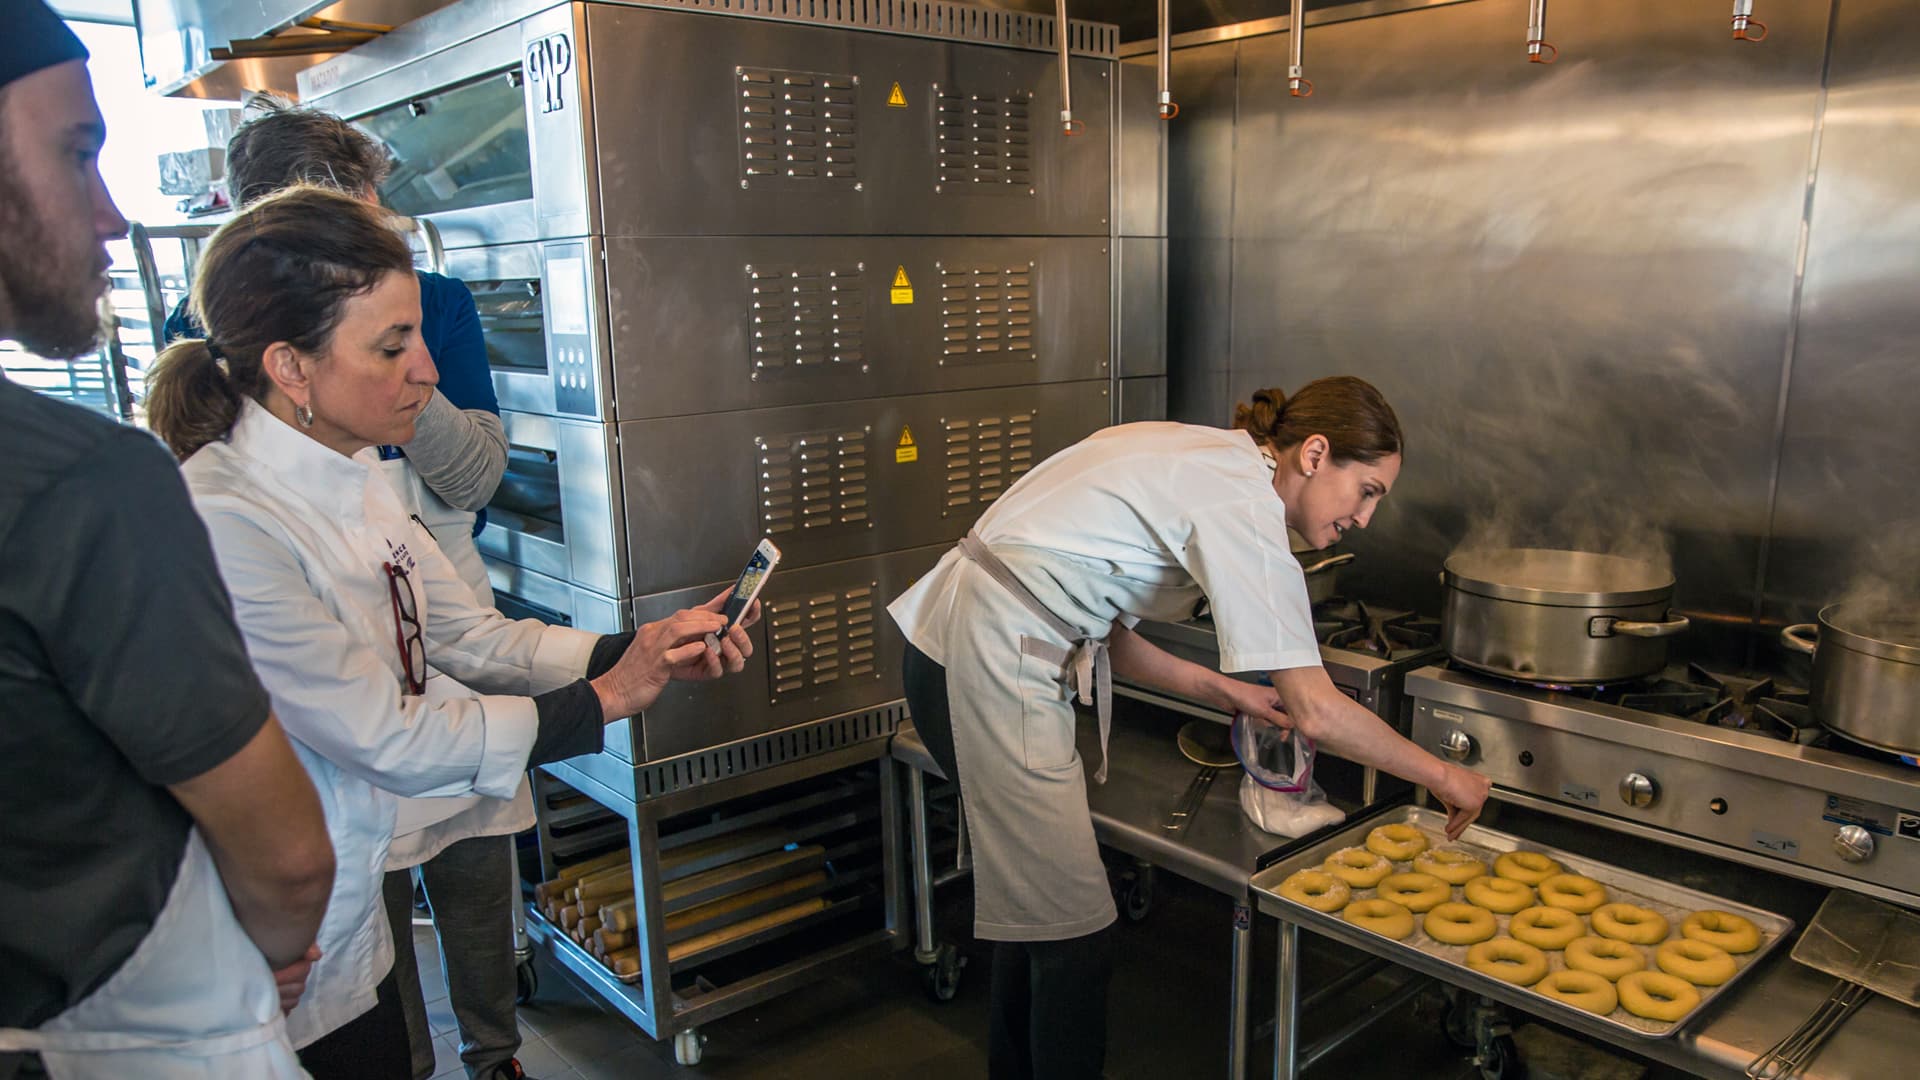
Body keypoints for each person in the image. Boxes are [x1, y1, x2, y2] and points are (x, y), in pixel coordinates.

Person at [143, 184, 758, 1079]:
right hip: (270, 951)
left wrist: (637, 649)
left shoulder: (359, 476)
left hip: (347, 921)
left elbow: (469, 637)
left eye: (419, 335)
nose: (429, 371)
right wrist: (597, 703)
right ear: (291, 367)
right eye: (394, 345)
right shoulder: (228, 522)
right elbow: (387, 733)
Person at [888, 377, 1493, 1079]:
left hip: (958, 648)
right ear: (1316, 454)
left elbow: (1102, 631)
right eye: (1368, 491)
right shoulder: (1244, 504)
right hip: (988, 660)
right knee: (1074, 935)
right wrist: (1445, 776)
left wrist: (1224, 689)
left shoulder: (1206, 457)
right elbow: (1317, 708)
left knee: (1043, 923)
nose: (1365, 517)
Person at [160, 100, 527, 1080]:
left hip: (435, 615)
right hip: (316, 675)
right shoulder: (217, 413)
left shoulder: (433, 312)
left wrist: (390, 371)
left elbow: (476, 477)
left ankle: (495, 1056)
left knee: (468, 865)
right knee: (362, 903)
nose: (377, 231)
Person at [0, 5, 336, 1077]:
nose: (109, 215)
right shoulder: (82, 484)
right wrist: (273, 954)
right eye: (78, 154)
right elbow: (285, 857)